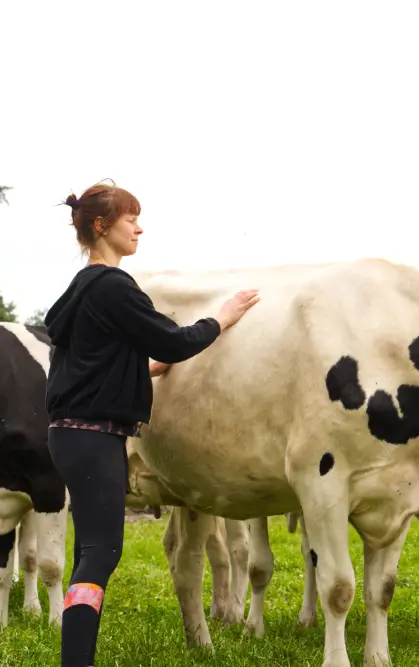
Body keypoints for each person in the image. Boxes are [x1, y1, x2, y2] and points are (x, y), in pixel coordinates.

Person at [43, 180, 261, 667]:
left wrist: (139, 373)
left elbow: (83, 366)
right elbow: (175, 342)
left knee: (90, 554)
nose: (139, 227)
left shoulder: (79, 290)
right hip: (94, 437)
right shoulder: (115, 286)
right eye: (129, 219)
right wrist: (222, 318)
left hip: (69, 434)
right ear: (102, 227)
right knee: (100, 555)